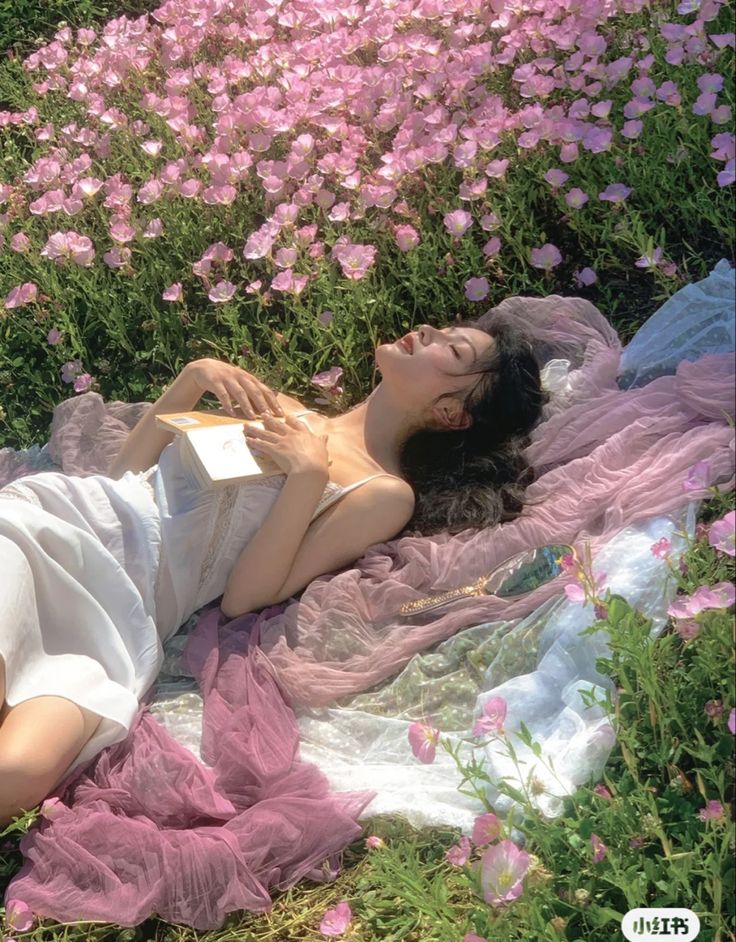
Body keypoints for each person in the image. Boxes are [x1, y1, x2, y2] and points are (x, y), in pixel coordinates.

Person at [0, 317, 546, 826]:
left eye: (451, 348)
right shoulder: (268, 403)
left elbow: (244, 598)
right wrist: (191, 381)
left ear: (452, 414)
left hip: (131, 613)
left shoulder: (382, 492)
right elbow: (123, 480)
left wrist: (309, 474)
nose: (425, 330)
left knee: (20, 770)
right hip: (59, 526)